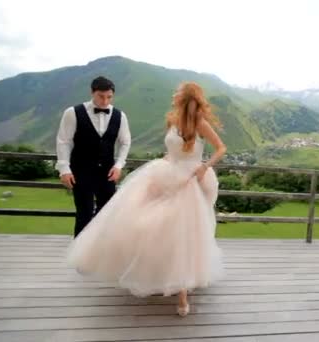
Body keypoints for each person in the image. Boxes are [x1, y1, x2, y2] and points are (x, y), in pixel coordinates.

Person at [67, 81, 226, 317]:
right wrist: (166, 160)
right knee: (148, 226)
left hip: (190, 179)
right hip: (167, 173)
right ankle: (157, 274)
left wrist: (205, 167)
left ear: (186, 97)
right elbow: (173, 149)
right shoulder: (172, 120)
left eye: (178, 92)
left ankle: (182, 292)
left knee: (181, 233)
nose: (173, 94)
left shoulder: (199, 123)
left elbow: (221, 148)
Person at [56, 76, 132, 237]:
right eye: (101, 96)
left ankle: (98, 253)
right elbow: (64, 141)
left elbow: (125, 142)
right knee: (84, 214)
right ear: (92, 92)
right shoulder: (72, 113)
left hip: (107, 173)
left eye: (109, 97)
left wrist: (119, 165)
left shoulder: (120, 116)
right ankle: (78, 258)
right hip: (81, 172)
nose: (105, 101)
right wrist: (64, 169)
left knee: (106, 214)